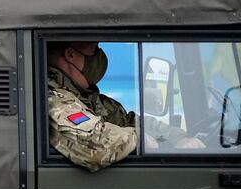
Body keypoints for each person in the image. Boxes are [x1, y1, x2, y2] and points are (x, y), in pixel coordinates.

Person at [47, 41, 202, 172]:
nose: (99, 57)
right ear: (70, 55)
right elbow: (93, 143)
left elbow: (128, 121)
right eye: (93, 49)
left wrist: (178, 137)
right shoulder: (54, 99)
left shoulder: (87, 98)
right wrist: (139, 140)